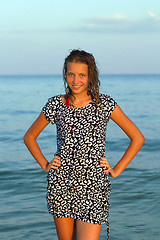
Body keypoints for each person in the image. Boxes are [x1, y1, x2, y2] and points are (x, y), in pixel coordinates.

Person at [24, 49, 145, 240]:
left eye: (82, 75)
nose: (75, 80)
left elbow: (137, 138)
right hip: (61, 184)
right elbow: (29, 136)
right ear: (65, 73)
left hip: (94, 186)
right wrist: (45, 164)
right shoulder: (56, 104)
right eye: (71, 74)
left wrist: (116, 169)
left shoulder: (104, 104)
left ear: (91, 76)